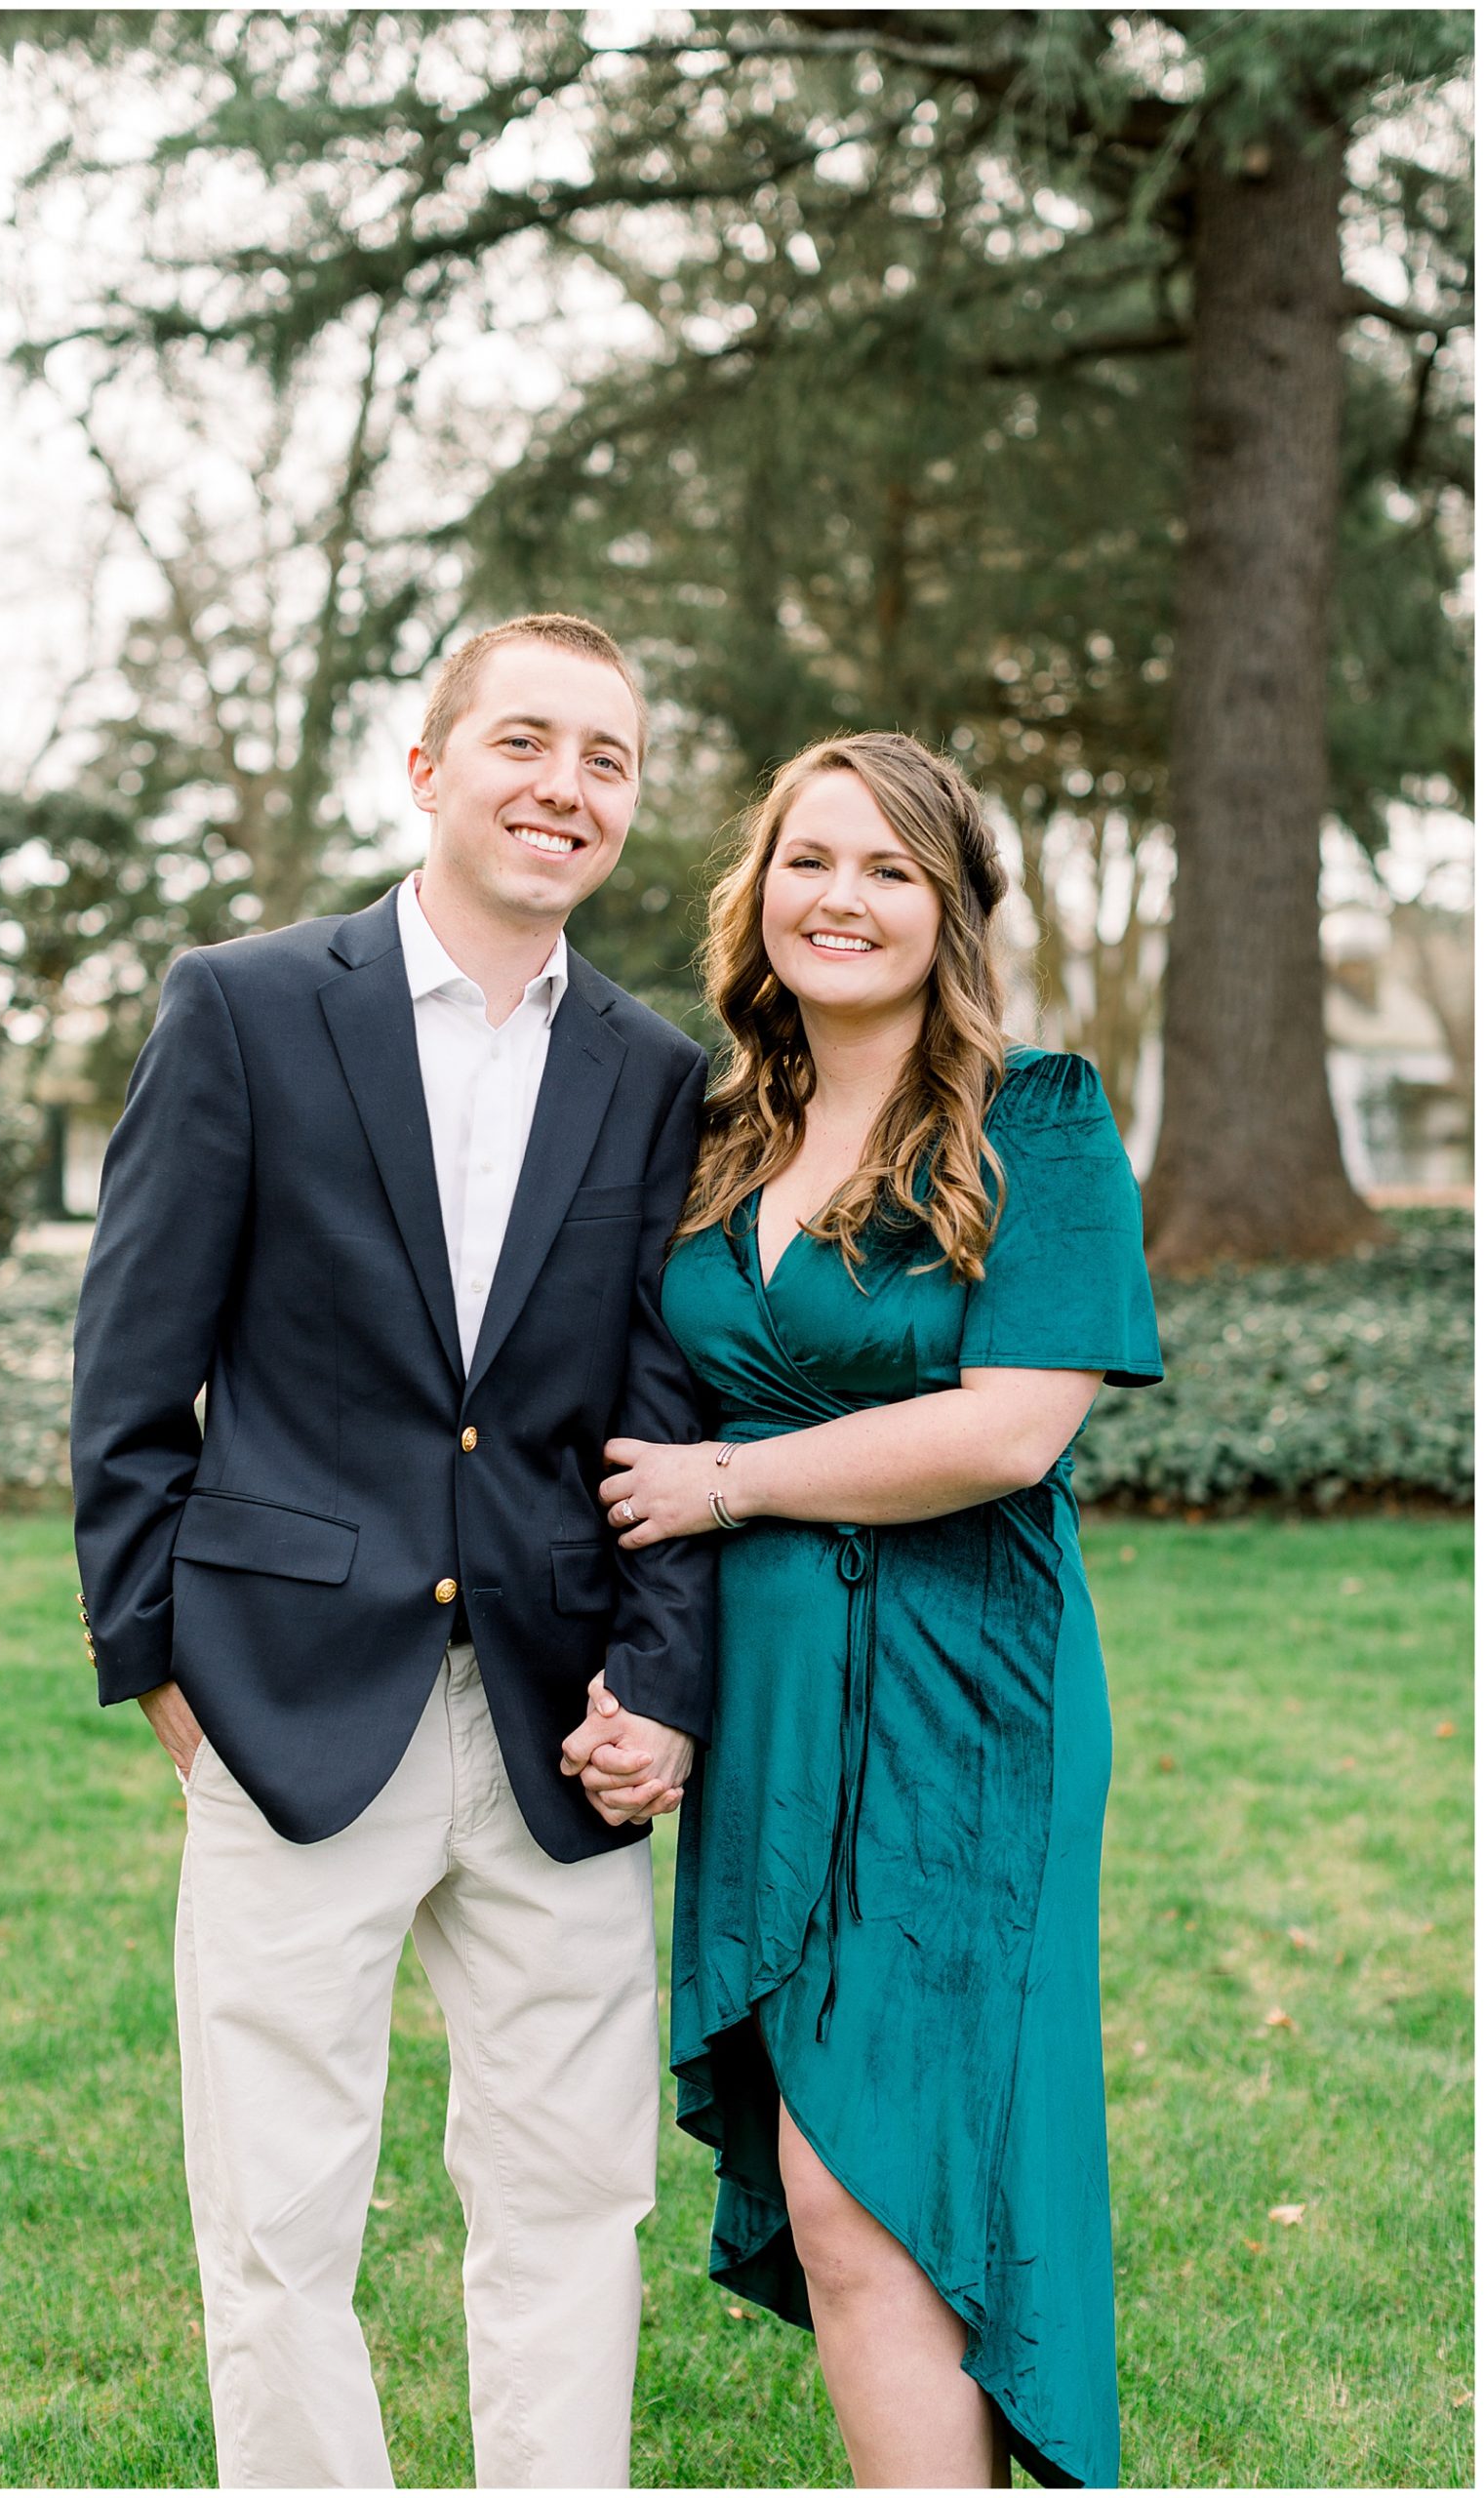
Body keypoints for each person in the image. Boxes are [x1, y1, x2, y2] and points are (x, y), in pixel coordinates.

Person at [70, 613, 713, 2490]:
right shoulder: (248, 1004)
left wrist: (659, 1681)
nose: (564, 786)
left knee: (574, 2201)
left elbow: (661, 1413)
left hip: (554, 1721)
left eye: (605, 759)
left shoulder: (652, 1070)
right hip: (281, 1713)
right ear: (426, 771)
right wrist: (161, 1668)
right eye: (525, 741)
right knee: (274, 2221)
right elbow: (130, 1373)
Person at [569, 732, 1162, 2489]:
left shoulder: (1031, 1116)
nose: (841, 898)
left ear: (950, 911)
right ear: (753, 892)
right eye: (808, 860)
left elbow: (1011, 1426)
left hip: (960, 1690)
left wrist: (729, 1483)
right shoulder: (710, 1130)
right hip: (764, 1694)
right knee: (830, 2195)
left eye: (889, 869)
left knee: (882, 2171)